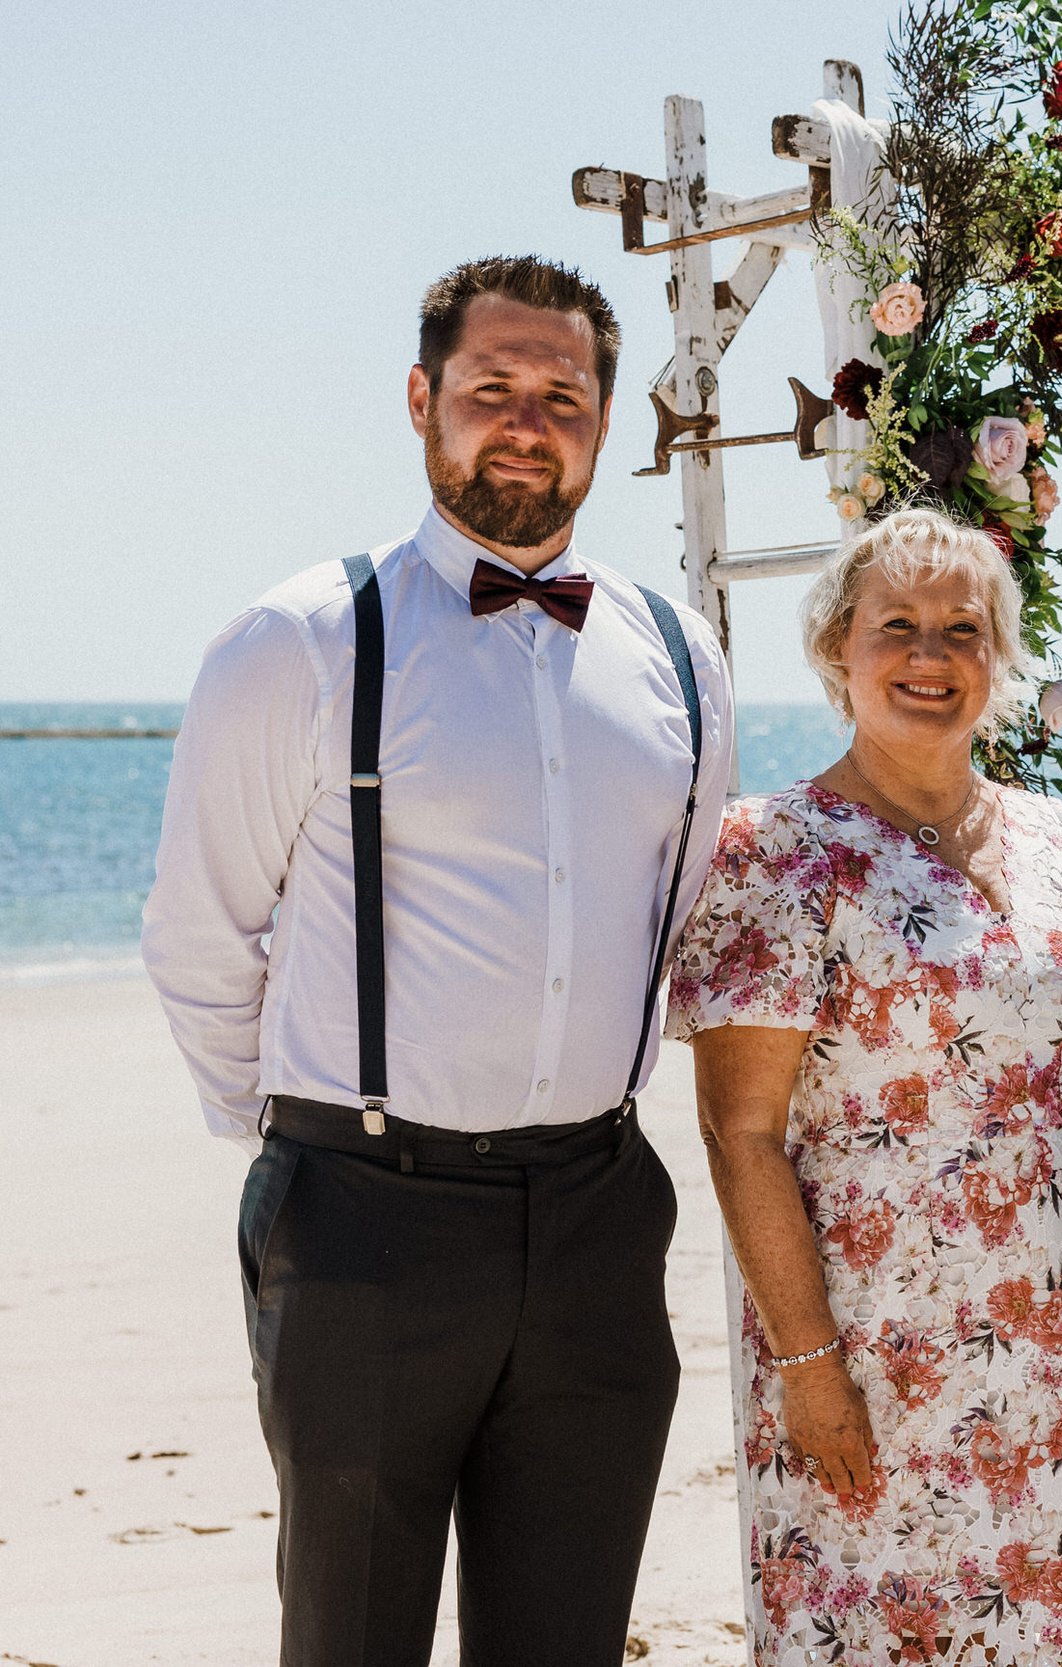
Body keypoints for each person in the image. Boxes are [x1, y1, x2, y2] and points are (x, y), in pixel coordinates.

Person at [141, 256, 732, 1665]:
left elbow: (681, 912)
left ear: (604, 422)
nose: (525, 421)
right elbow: (198, 937)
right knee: (350, 1637)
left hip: (597, 1209)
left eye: (561, 395)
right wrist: (313, 1147)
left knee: (568, 1635)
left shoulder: (678, 651)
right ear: (423, 401)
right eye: (490, 390)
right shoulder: (302, 637)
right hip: (363, 1218)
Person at [668, 508, 1062, 1665]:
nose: (930, 656)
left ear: (1000, 656)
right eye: (898, 626)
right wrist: (808, 1366)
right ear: (839, 648)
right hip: (871, 1358)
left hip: (1059, 1355)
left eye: (963, 629)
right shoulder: (775, 849)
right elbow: (739, 1134)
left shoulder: (1056, 840)